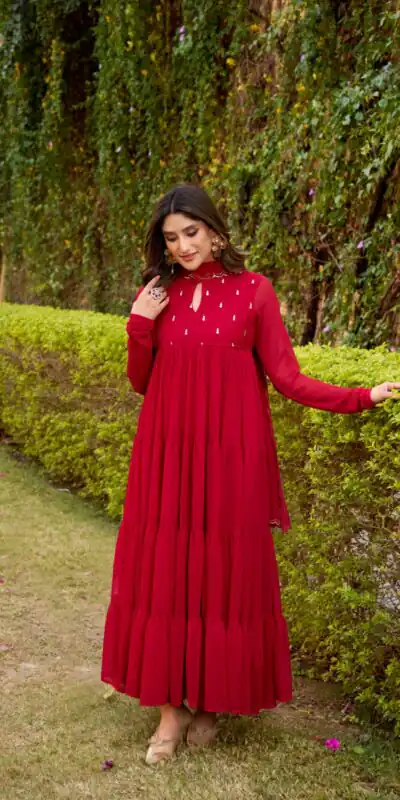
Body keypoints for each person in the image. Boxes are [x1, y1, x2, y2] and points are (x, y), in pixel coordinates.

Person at [101, 183, 399, 765]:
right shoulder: (156, 293)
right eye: (171, 238)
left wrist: (362, 396)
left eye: (191, 232)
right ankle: (169, 713)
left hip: (230, 459)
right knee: (167, 574)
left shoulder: (254, 291)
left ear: (215, 231)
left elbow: (288, 378)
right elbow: (142, 381)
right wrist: (139, 322)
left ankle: (210, 701)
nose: (183, 246)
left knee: (222, 575)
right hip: (167, 457)